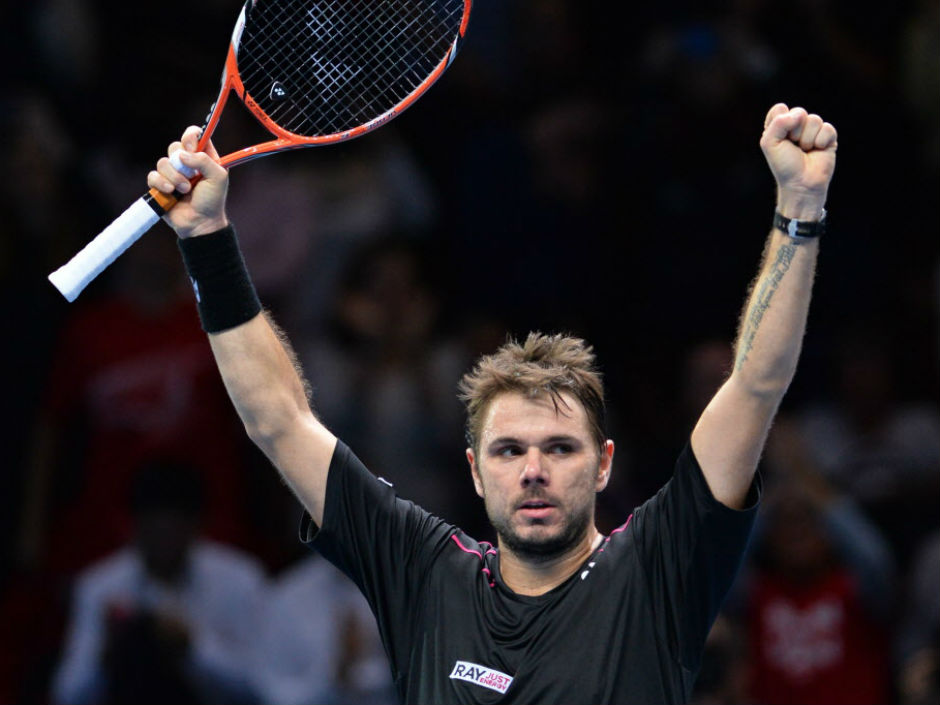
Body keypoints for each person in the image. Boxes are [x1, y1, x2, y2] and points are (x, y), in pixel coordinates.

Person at [145, 103, 837, 703]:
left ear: (603, 466)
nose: (533, 469)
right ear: (475, 470)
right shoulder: (422, 571)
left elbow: (753, 385)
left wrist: (799, 212)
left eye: (560, 447)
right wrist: (207, 242)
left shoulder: (659, 567)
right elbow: (278, 419)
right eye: (510, 449)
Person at [52, 460, 266, 705]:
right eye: (153, 526)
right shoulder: (99, 586)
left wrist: (190, 645)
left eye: (174, 526)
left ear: (196, 525)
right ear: (133, 525)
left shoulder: (240, 580)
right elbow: (67, 695)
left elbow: (261, 688)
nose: (164, 536)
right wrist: (107, 654)